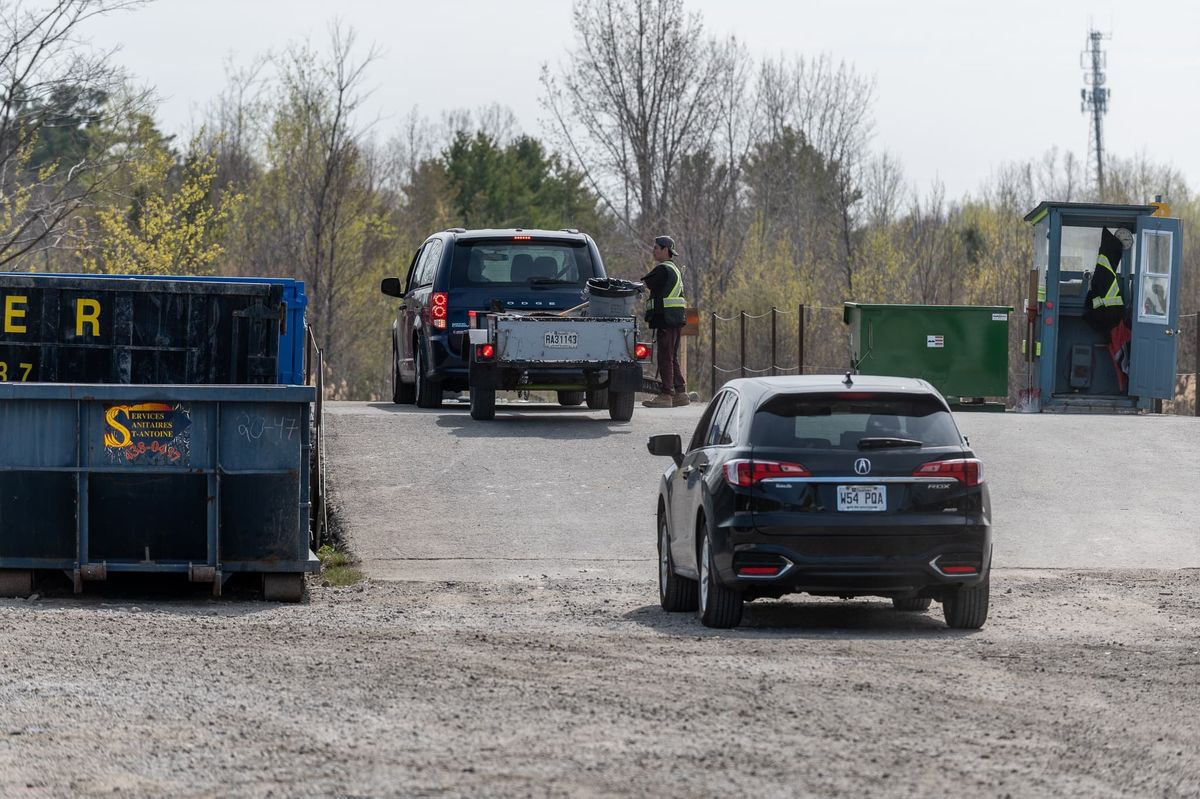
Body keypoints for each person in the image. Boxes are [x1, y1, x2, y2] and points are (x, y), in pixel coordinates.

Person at [640, 235, 689, 408]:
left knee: (665, 356)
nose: (653, 251)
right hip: (675, 320)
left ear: (665, 250)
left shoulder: (662, 269)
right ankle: (680, 392)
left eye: (656, 248)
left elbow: (645, 284)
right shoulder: (674, 268)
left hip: (666, 320)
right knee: (672, 356)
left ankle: (666, 395)